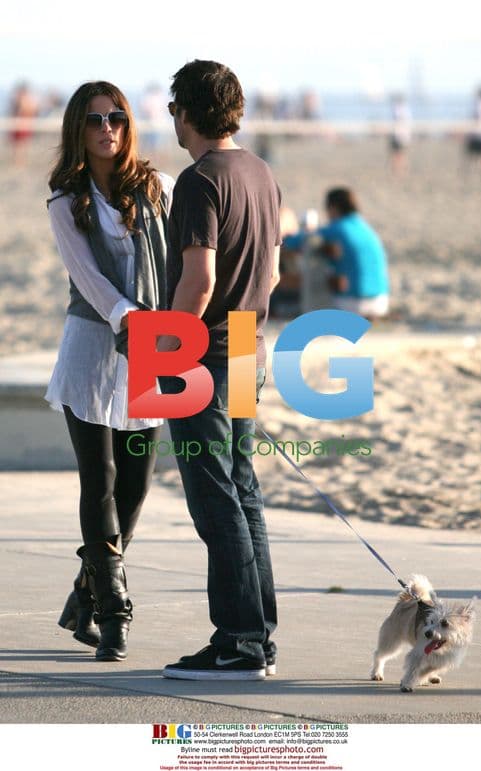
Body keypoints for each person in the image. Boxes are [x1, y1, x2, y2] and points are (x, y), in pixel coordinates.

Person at [158, 60, 281, 681]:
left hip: (204, 347)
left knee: (215, 498)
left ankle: (238, 641)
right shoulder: (260, 172)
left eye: (173, 109)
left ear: (186, 110)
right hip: (245, 342)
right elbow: (276, 274)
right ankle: (258, 633)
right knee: (243, 489)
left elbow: (198, 280)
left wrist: (167, 349)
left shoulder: (200, 179)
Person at [45, 81, 174, 661]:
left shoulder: (159, 188)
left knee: (137, 484)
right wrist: (129, 319)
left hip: (151, 354)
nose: (107, 128)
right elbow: (90, 280)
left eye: (117, 117)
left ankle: (85, 593)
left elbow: (177, 264)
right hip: (92, 352)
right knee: (99, 481)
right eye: (95, 119)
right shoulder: (64, 201)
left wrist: (162, 330)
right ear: (79, 128)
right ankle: (115, 612)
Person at [283, 188, 390, 319]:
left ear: (333, 208)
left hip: (354, 304)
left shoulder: (337, 229)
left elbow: (295, 242)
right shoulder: (366, 229)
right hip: (380, 301)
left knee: (313, 252)